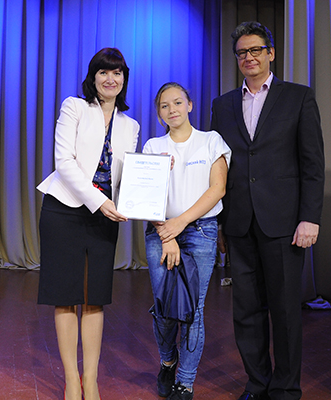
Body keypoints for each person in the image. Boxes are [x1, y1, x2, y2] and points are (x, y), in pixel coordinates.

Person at [210, 21, 325, 400]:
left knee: (286, 311)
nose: (249, 57)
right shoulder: (222, 105)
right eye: (242, 52)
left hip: (285, 223)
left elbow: (312, 163)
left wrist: (310, 217)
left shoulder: (298, 97)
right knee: (246, 311)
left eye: (256, 50)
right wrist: (220, 224)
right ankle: (257, 384)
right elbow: (217, 168)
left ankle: (286, 389)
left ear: (271, 53)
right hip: (239, 222)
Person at [36, 48, 139, 400]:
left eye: (117, 73)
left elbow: (127, 176)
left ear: (124, 79)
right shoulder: (75, 107)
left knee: (95, 298)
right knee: (65, 297)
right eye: (103, 72)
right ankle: (70, 380)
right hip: (64, 210)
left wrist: (155, 172)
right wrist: (100, 201)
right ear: (93, 78)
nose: (111, 79)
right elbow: (63, 162)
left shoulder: (131, 126)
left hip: (104, 216)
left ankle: (91, 381)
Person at [144, 82, 231, 400]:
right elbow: (145, 194)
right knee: (165, 308)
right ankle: (168, 362)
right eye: (165, 105)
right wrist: (167, 233)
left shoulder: (211, 141)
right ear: (159, 113)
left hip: (201, 232)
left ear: (190, 105)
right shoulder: (153, 147)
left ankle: (185, 382)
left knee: (193, 310)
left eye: (178, 102)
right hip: (160, 232)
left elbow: (217, 189)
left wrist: (180, 223)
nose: (172, 109)